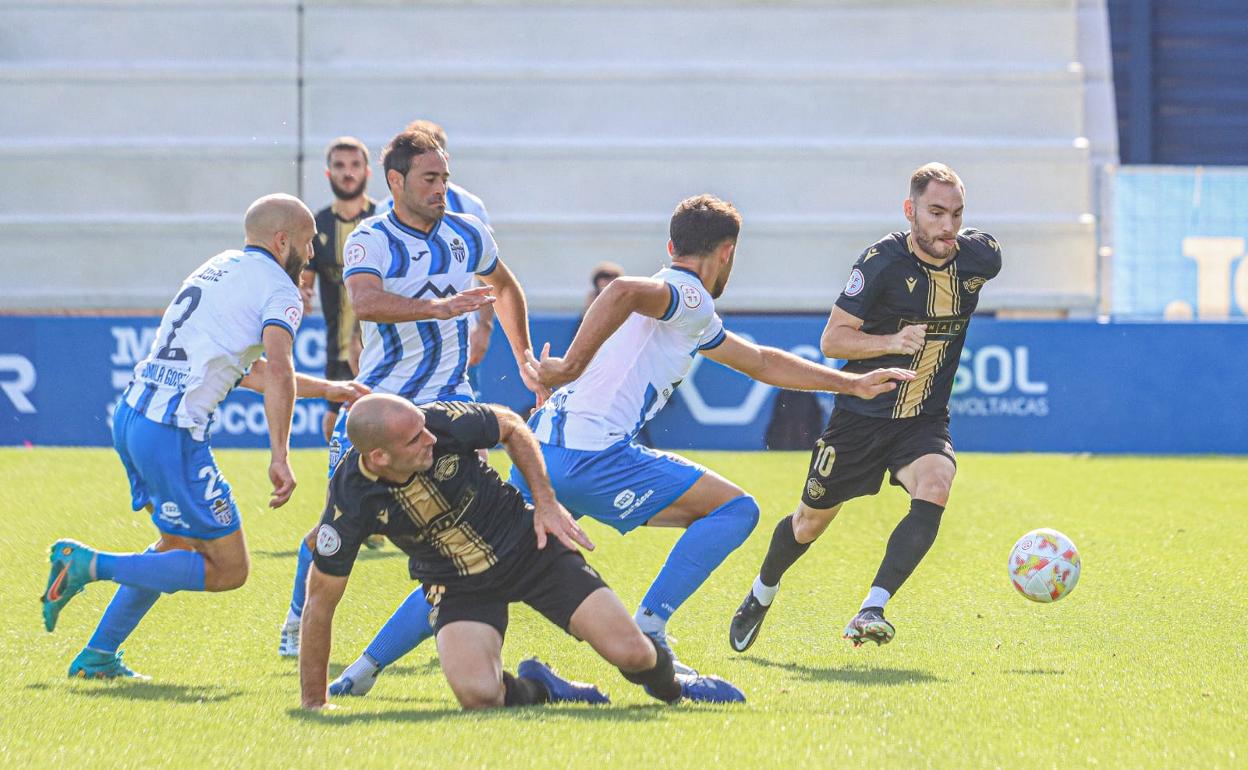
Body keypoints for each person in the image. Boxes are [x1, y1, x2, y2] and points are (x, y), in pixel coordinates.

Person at [326, 194, 913, 694]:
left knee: (473, 560)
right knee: (737, 510)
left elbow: (758, 360)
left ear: (670, 245)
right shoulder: (685, 293)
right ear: (727, 252)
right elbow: (621, 292)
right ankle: (652, 628)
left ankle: (362, 670)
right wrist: (570, 365)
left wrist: (850, 381)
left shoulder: (680, 300)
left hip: (547, 451)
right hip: (591, 458)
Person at [41, 194, 369, 679]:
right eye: (307, 242)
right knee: (229, 569)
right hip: (172, 433)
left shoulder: (218, 267)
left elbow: (249, 368)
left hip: (133, 417)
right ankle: (89, 565)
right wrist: (280, 455)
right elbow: (279, 369)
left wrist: (329, 388)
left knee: (175, 544)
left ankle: (97, 656)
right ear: (283, 242)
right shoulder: (280, 289)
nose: (313, 255)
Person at [299, 394, 744, 710]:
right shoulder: (350, 502)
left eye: (424, 430)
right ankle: (543, 688)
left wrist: (546, 502)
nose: (429, 439)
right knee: (477, 696)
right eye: (414, 440)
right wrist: (314, 702)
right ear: (378, 457)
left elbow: (511, 425)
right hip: (456, 585)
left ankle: (676, 691)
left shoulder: (442, 421)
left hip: (530, 550)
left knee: (634, 654)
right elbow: (320, 603)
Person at [278, 128, 543, 656]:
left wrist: (525, 359)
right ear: (395, 181)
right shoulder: (370, 239)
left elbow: (505, 287)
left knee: (469, 528)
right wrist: (435, 308)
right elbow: (366, 299)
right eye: (430, 178)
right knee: (339, 525)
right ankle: (297, 619)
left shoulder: (469, 233)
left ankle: (449, 635)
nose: (441, 187)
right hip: (382, 407)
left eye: (445, 176)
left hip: (452, 403)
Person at [728, 162, 1002, 652]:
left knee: (936, 484)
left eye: (957, 215)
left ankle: (872, 607)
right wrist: (893, 340)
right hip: (861, 419)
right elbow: (833, 339)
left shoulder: (981, 258)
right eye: (936, 213)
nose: (948, 227)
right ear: (909, 210)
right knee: (809, 523)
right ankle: (761, 592)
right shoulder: (880, 263)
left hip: (922, 419)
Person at [379, 120, 496, 377]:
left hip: (459, 333)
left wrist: (484, 327)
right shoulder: (383, 211)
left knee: (461, 404)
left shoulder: (469, 207)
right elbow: (368, 286)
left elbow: (490, 271)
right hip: (401, 339)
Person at [303, 136, 377, 442]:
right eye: (339, 166)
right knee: (333, 428)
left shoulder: (382, 221)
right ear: (328, 173)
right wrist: (299, 294)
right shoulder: (316, 225)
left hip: (380, 347)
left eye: (355, 165)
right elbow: (303, 282)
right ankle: (340, 489)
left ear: (367, 172)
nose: (348, 172)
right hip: (337, 348)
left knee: (383, 427)